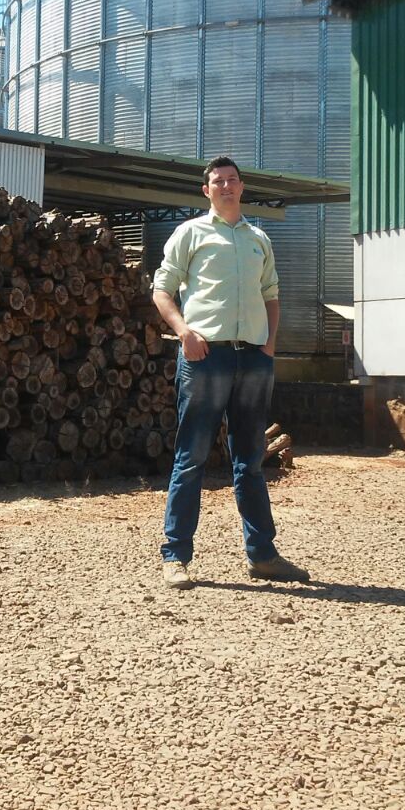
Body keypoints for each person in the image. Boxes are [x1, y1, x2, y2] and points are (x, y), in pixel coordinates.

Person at [152, 156, 310, 590]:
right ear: (206, 190)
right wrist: (184, 332)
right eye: (218, 181)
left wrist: (269, 344)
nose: (226, 186)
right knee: (192, 458)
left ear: (242, 188)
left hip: (253, 359)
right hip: (207, 357)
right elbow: (162, 290)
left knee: (251, 462)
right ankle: (175, 556)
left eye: (232, 180)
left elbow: (271, 293)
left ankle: (263, 555)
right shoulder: (190, 233)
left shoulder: (258, 238)